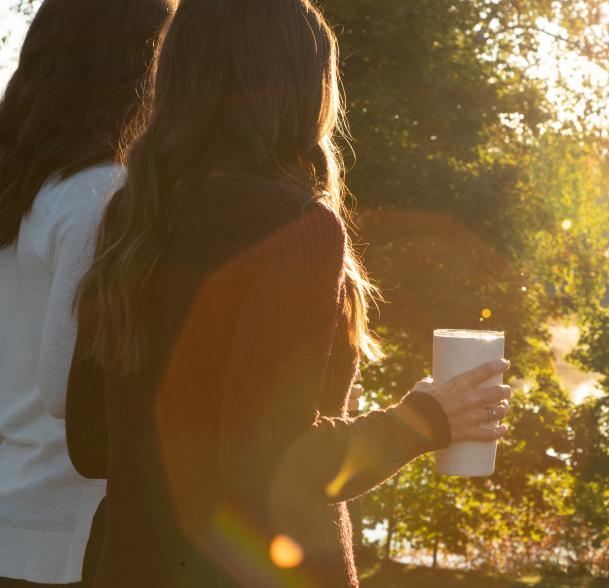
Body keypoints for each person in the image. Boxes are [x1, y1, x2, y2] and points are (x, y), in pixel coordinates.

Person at [66, 0, 511, 586]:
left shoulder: (132, 214)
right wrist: (424, 420)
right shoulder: (294, 229)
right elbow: (269, 465)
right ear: (305, 87)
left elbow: (90, 441)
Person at [0, 1, 173, 585]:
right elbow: (63, 388)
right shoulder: (102, 193)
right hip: (62, 525)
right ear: (139, 63)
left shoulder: (20, 185)